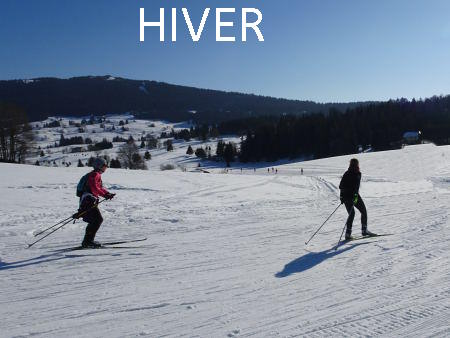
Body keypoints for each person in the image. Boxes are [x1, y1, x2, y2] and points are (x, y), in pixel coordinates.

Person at [78, 157, 115, 248]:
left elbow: (99, 188)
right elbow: (94, 188)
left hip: (89, 200)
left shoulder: (95, 174)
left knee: (95, 220)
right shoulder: (95, 175)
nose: (106, 168)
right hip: (88, 200)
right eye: (104, 166)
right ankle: (88, 242)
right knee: (97, 220)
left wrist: (107, 193)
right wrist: (105, 195)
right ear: (99, 166)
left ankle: (88, 241)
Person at [339, 158, 375, 240]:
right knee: (363, 211)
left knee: (351, 214)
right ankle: (364, 230)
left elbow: (341, 186)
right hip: (353, 196)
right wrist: (355, 197)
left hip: (345, 197)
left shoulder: (346, 173)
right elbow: (356, 187)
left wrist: (341, 197)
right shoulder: (357, 173)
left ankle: (348, 234)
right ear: (357, 164)